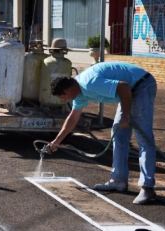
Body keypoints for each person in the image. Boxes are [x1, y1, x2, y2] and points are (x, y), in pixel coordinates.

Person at [47, 62, 158, 205]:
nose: (64, 100)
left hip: (141, 85)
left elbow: (123, 87)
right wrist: (57, 141)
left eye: (63, 96)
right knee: (119, 135)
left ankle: (147, 188)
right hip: (128, 92)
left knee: (144, 138)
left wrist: (125, 115)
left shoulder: (89, 83)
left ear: (68, 89)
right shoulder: (79, 94)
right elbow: (73, 118)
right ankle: (118, 181)